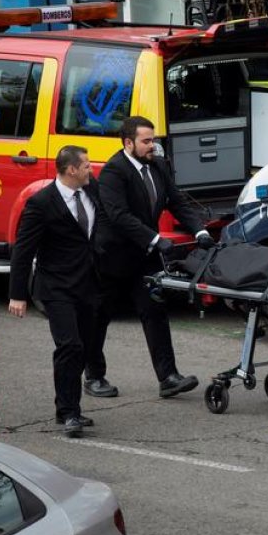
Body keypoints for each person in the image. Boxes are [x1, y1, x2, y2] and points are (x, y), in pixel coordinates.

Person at [90, 116, 212, 399]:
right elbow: (119, 216)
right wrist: (157, 239)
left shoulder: (157, 166)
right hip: (114, 258)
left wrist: (200, 231)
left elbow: (177, 201)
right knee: (100, 317)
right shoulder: (113, 172)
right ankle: (94, 376)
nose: (152, 146)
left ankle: (168, 377)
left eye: (153, 140)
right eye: (146, 141)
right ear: (128, 142)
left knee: (155, 312)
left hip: (145, 256)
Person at [8, 145, 102, 438]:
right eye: (86, 165)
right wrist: (17, 294)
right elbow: (23, 251)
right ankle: (69, 412)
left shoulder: (91, 189)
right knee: (69, 346)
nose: (91, 169)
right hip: (56, 287)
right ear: (71, 169)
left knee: (85, 347)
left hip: (88, 284)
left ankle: (67, 408)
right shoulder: (41, 203)